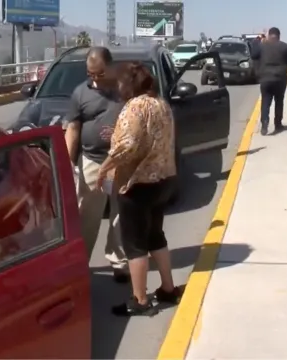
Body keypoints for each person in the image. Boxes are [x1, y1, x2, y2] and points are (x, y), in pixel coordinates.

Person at [97, 62, 182, 316]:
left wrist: (105, 167)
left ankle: (140, 300)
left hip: (138, 183)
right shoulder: (161, 104)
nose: (118, 87)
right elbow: (151, 136)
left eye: (121, 82)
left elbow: (129, 145)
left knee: (134, 244)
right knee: (156, 234)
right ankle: (168, 288)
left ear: (129, 83)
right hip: (164, 179)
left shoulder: (134, 107)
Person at [65, 46, 129, 282]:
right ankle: (81, 264)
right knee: (87, 216)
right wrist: (68, 163)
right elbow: (72, 129)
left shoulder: (125, 88)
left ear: (110, 68)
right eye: (90, 74)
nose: (94, 79)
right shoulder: (79, 94)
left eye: (99, 74)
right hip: (93, 162)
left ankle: (119, 261)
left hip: (122, 162)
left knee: (120, 215)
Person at [251, 27, 287, 135]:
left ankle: (265, 124)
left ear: (268, 35)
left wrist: (256, 41)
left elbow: (254, 55)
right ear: (279, 36)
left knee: (265, 101)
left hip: (265, 78)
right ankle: (278, 124)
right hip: (280, 78)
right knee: (279, 101)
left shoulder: (262, 46)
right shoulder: (285, 47)